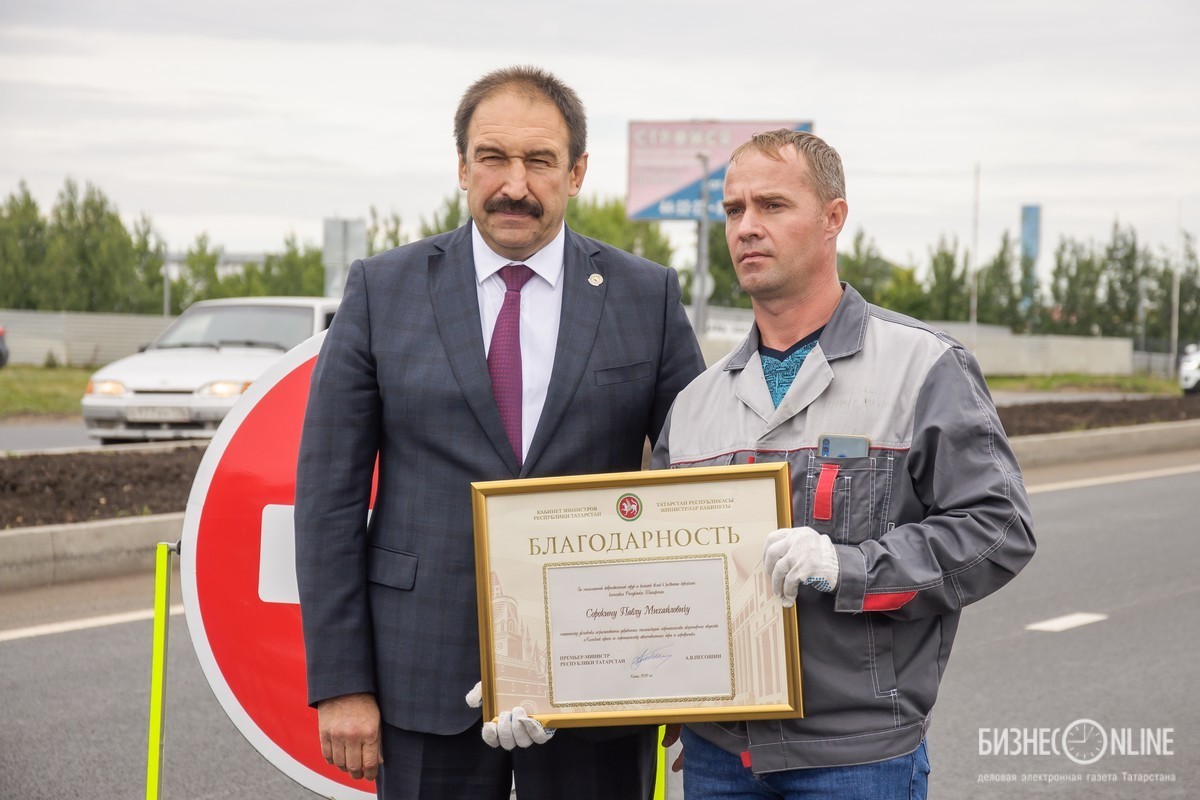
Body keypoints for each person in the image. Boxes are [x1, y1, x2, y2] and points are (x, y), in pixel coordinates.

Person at [293, 66, 704, 800]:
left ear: (576, 173)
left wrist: (688, 669)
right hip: (420, 676)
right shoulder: (381, 291)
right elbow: (327, 501)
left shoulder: (647, 297)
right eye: (492, 158)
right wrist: (342, 683)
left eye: (539, 161)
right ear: (461, 167)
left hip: (601, 679)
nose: (514, 184)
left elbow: (694, 488)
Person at [652, 129, 1036, 799]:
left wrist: (848, 567)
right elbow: (656, 578)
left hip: (857, 760)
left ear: (834, 218)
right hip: (717, 760)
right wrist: (550, 679)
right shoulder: (693, 406)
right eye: (734, 210)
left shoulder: (924, 368)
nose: (746, 227)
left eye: (772, 205)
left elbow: (999, 530)